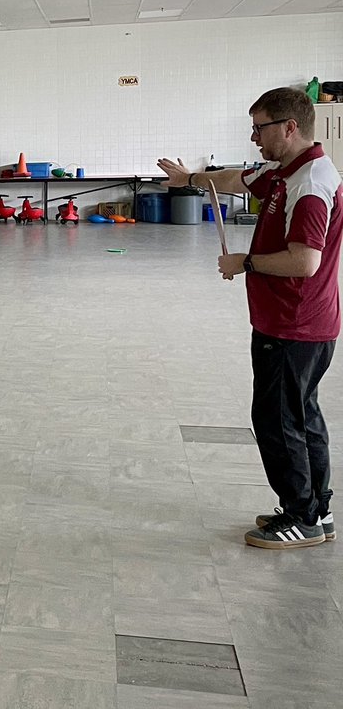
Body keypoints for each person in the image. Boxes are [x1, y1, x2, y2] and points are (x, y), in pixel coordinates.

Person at [159, 86, 341, 549]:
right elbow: (238, 179)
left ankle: (301, 515)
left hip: (294, 324)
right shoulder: (287, 171)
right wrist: (191, 178)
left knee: (279, 420)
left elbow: (306, 261)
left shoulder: (309, 186)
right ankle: (316, 508)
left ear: (290, 127)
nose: (254, 137)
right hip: (300, 322)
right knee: (302, 415)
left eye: (260, 128)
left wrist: (247, 263)